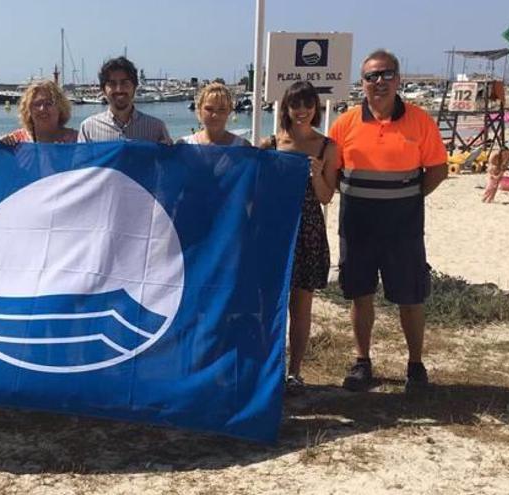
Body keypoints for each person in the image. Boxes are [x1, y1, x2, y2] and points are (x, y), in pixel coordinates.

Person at [328, 49, 447, 393]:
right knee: (360, 294)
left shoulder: (420, 120)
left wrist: (407, 196)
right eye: (371, 76)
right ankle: (362, 361)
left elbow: (438, 169)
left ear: (398, 79)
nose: (379, 82)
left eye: (386, 74)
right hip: (357, 226)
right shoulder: (345, 123)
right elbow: (332, 171)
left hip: (403, 227)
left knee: (411, 298)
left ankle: (415, 366)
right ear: (362, 83)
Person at [259, 82, 339, 395]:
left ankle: (296, 371)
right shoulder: (271, 144)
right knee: (270, 305)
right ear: (286, 109)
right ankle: (270, 367)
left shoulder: (327, 147)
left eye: (308, 104)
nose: (302, 110)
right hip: (275, 229)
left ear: (316, 108)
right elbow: (256, 190)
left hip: (308, 230)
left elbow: (326, 196)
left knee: (301, 305)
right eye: (296, 104)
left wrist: (318, 174)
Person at [78, 57, 171, 143]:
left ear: (134, 87)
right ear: (103, 90)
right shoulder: (88, 128)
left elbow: (168, 160)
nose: (119, 89)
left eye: (125, 83)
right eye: (112, 84)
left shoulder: (156, 128)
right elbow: (82, 161)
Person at [0, 80, 78, 143]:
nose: (42, 108)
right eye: (37, 104)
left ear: (60, 107)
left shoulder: (77, 140)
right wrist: (0, 145)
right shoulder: (15, 141)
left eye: (49, 103)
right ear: (28, 109)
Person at [177, 83, 249, 146]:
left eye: (221, 109)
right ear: (199, 109)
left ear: (229, 111)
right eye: (209, 109)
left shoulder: (242, 146)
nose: (215, 115)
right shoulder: (184, 145)